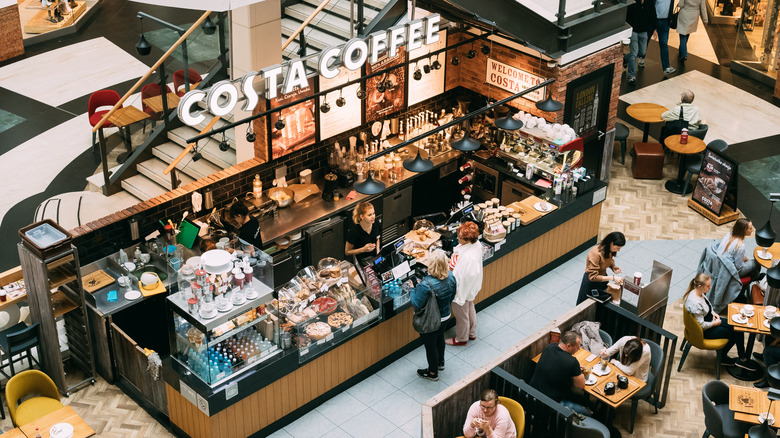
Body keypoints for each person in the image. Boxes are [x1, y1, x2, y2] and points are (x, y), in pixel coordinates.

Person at [684, 272, 756, 370]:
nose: (710, 287)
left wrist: (714, 313)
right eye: (708, 286)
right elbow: (701, 326)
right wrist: (715, 323)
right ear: (700, 286)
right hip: (705, 331)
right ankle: (740, 359)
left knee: (737, 326)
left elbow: (707, 305)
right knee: (735, 332)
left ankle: (739, 357)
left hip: (710, 320)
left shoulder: (698, 292)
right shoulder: (695, 303)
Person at [410, 249, 457, 381]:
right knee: (439, 338)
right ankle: (441, 362)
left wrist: (412, 289)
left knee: (430, 346)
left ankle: (432, 372)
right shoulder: (451, 276)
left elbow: (417, 304)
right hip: (446, 315)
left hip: (431, 320)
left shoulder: (426, 285)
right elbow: (453, 295)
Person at [530, 330, 590, 416]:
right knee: (587, 412)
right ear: (568, 346)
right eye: (577, 346)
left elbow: (556, 364)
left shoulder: (550, 347)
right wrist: (575, 370)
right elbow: (581, 385)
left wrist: (573, 370)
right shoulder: (573, 362)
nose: (579, 349)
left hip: (532, 394)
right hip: (550, 404)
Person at [446, 222, 483, 347]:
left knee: (461, 314)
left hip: (462, 289)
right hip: (471, 287)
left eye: (460, 237)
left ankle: (461, 338)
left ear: (467, 240)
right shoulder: (476, 244)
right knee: (470, 307)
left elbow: (459, 275)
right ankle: (472, 333)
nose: (457, 238)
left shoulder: (468, 257)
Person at [576, 231, 626, 305]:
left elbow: (608, 260)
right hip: (592, 283)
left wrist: (613, 267)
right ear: (611, 243)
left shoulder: (609, 249)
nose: (618, 250)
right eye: (618, 248)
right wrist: (613, 278)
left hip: (602, 280)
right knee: (585, 306)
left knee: (599, 304)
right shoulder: (595, 253)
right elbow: (593, 277)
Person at [625, 0, 656, 85]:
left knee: (642, 52)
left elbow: (652, 15)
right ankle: (631, 76)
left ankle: (625, 58)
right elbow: (627, 15)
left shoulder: (649, 2)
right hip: (633, 31)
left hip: (644, 31)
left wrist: (655, 29)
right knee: (634, 53)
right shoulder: (633, 2)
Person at [654, 0, 676, 75]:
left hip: (665, 22)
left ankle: (666, 67)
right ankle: (640, 57)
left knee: (664, 44)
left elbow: (671, 7)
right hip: (654, 21)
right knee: (643, 45)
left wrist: (670, 20)